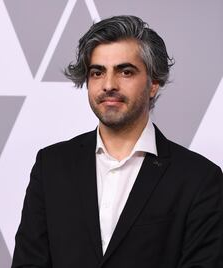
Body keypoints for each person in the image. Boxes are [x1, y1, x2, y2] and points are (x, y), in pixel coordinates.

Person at [12, 15, 223, 268]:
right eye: (97, 72)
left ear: (153, 82)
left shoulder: (199, 179)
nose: (108, 85)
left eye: (125, 71)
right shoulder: (51, 166)